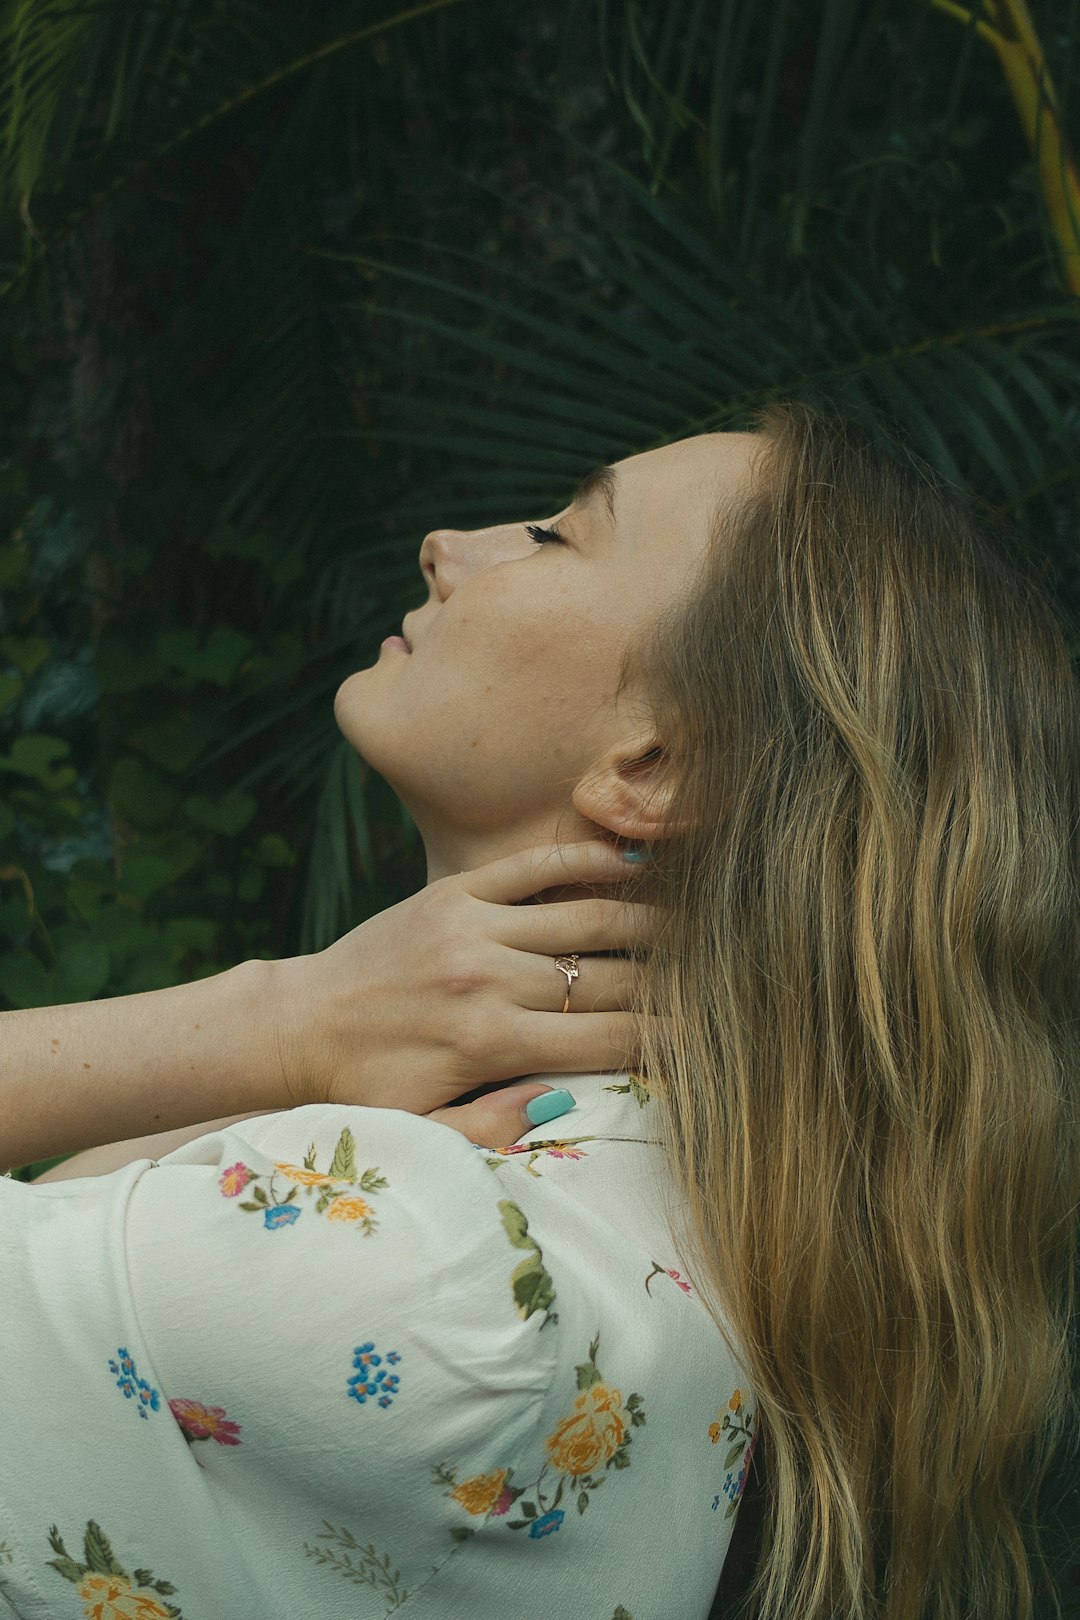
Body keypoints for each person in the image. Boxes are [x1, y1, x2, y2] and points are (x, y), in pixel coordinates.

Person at [1, 399, 1077, 1620]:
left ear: (655, 765)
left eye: (558, 535)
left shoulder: (426, 1268)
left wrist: (279, 1019)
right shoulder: (561, 1218)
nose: (450, 545)